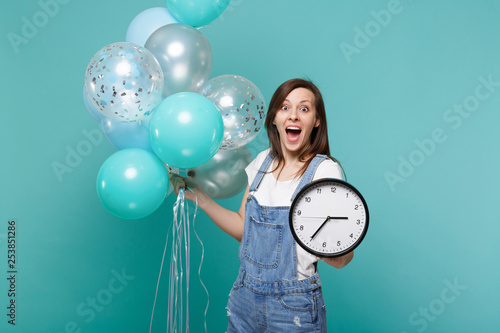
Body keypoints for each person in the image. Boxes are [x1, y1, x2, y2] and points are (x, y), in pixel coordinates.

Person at [170, 78, 353, 332]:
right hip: (244, 298)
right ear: (275, 118)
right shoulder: (262, 162)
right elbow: (243, 229)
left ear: (316, 121)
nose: (294, 116)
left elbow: (344, 258)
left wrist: (324, 246)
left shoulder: (324, 171)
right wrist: (200, 197)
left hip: (293, 307)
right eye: (285, 107)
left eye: (304, 109)